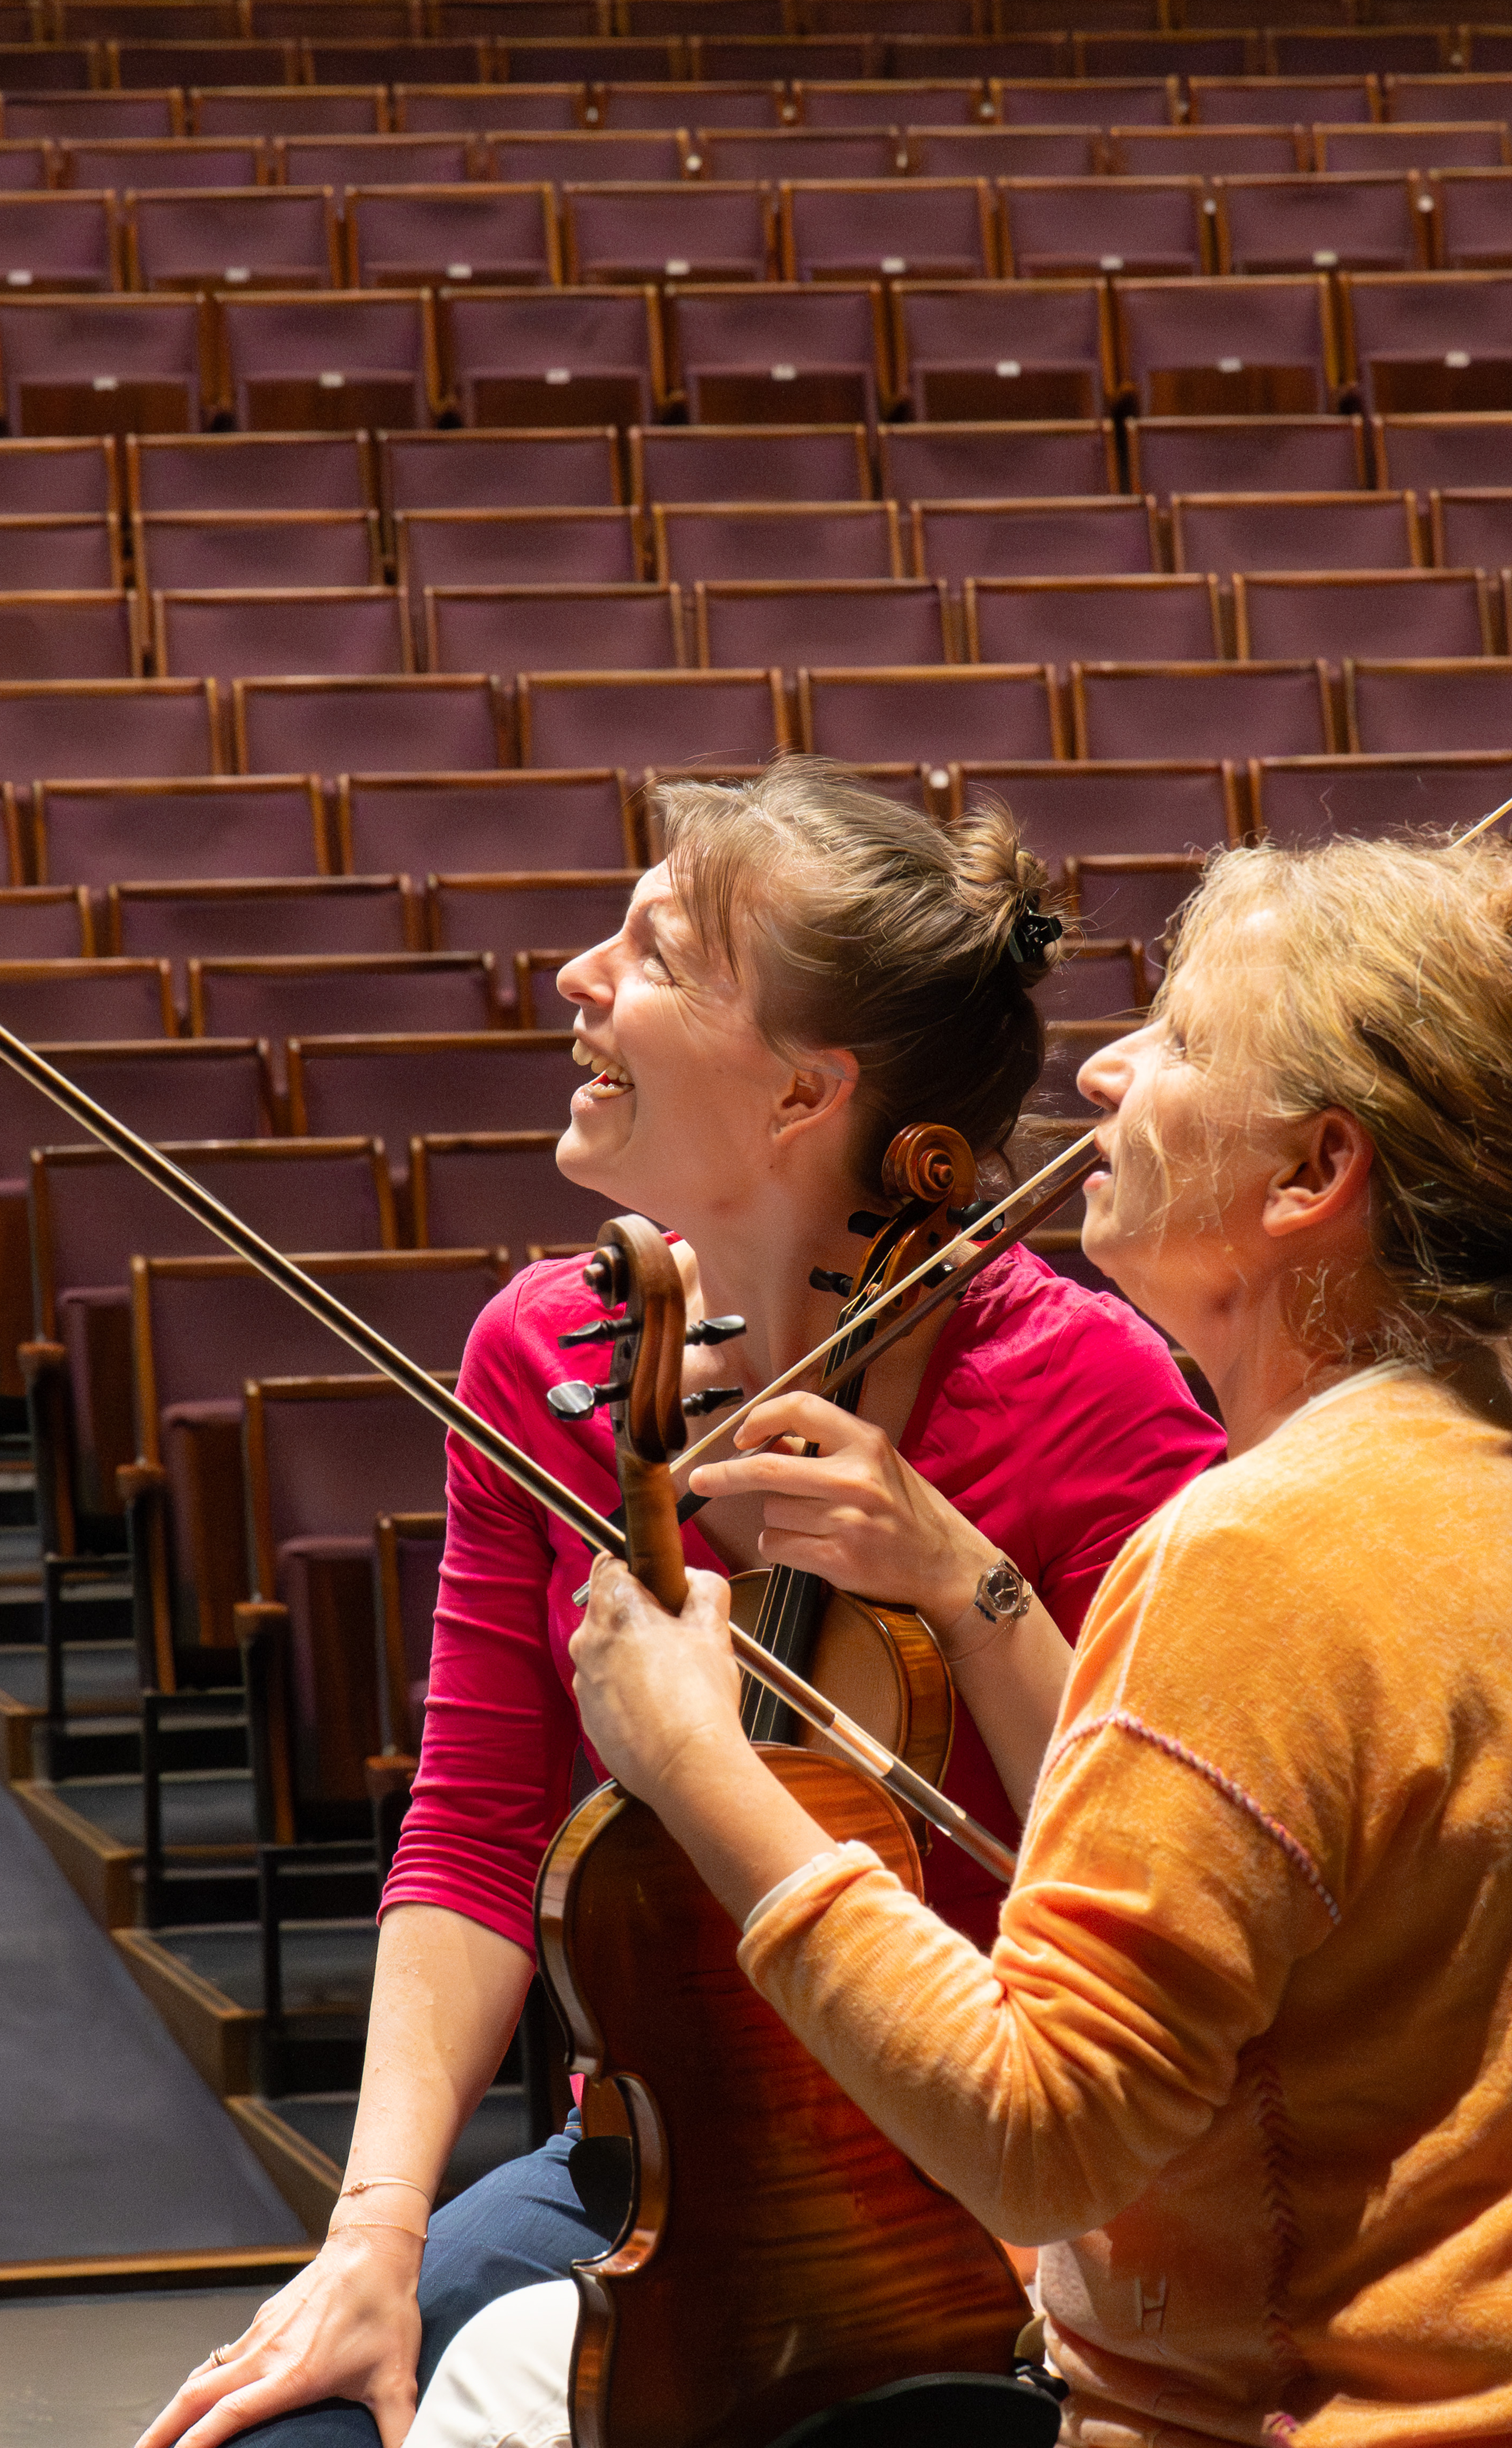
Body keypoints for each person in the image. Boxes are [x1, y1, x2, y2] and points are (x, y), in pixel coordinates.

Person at [403, 828, 1512, 2448]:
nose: (1111, 1070)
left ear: (1309, 1177)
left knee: (518, 2380)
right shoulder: (1490, 1482)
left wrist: (695, 1757)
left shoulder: (1264, 1550)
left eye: (1184, 1041)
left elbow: (1042, 2142)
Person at [144, 760, 1226, 2448]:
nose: (577, 979)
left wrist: (966, 1583)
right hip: (643, 2171)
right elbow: (480, 1832)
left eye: (649, 954)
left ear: (804, 1097)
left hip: (1013, 2191)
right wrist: (374, 2235)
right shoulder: (549, 1352)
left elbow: (1165, 1864)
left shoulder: (1089, 1387)